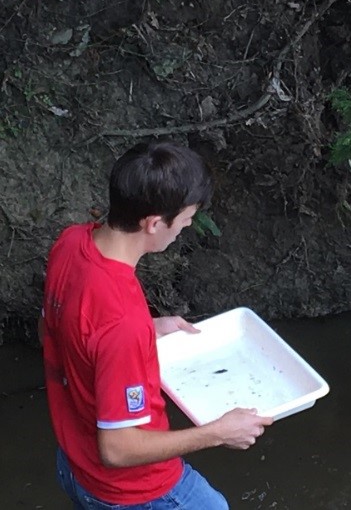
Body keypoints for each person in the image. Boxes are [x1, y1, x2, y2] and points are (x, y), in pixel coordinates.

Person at [39, 141, 273, 509]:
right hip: (131, 491)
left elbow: (58, 329)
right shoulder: (121, 320)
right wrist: (216, 433)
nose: (186, 226)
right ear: (153, 223)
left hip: (73, 464)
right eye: (184, 219)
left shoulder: (71, 243)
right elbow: (117, 448)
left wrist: (148, 328)